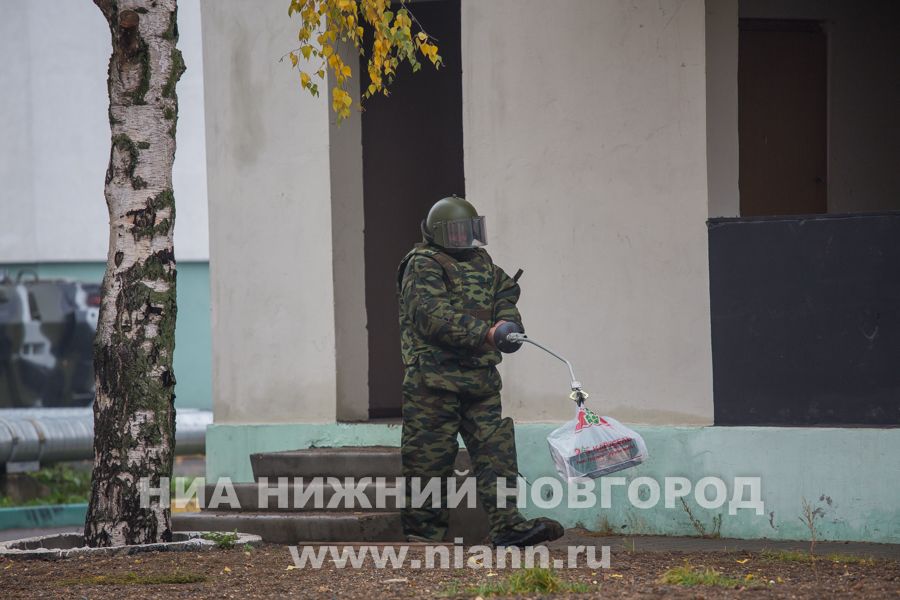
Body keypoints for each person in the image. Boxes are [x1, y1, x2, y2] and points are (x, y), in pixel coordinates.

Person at [396, 195, 564, 547]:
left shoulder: (482, 262)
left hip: (480, 379)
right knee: (428, 462)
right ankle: (423, 537)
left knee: (496, 452)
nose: (463, 238)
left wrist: (508, 325)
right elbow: (432, 316)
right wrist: (485, 334)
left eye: (468, 231)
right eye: (455, 232)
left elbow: (505, 293)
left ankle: (507, 527)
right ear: (438, 232)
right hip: (433, 383)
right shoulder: (422, 264)